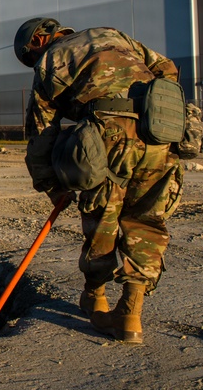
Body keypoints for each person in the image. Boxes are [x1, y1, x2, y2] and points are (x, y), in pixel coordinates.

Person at [13, 17, 183, 345]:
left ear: (36, 42)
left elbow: (41, 132)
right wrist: (161, 109)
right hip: (160, 132)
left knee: (101, 217)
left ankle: (96, 296)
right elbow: (166, 68)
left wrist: (51, 184)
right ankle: (130, 314)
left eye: (29, 58)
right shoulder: (111, 34)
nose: (34, 63)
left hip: (111, 134)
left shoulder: (49, 60)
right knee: (147, 223)